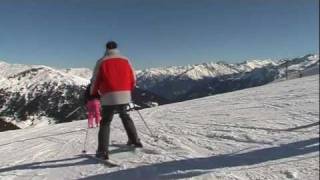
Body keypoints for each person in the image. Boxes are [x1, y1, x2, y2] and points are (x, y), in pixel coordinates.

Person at [90, 41, 142, 160]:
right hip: (125, 94)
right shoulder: (126, 60)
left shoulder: (101, 61)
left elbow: (95, 80)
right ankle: (135, 141)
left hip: (108, 96)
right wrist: (128, 90)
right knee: (125, 116)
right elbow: (133, 78)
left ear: (106, 49)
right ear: (117, 48)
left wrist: (93, 93)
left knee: (106, 122)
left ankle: (102, 151)